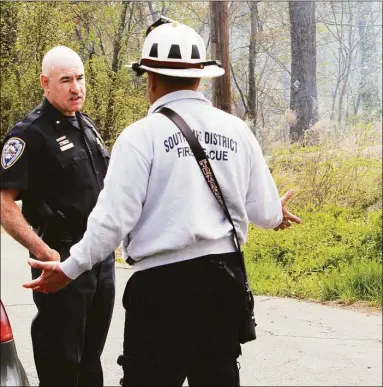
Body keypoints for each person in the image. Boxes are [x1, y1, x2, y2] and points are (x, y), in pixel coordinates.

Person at [23, 19, 301, 387]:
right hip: (225, 282)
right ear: (200, 79)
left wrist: (69, 269)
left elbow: (112, 220)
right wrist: (276, 213)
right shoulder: (237, 130)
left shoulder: (140, 137)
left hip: (162, 289)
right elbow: (265, 213)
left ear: (149, 79)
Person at [0, 46, 115, 387]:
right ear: (45, 83)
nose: (76, 87)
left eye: (80, 78)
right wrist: (42, 250)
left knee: (91, 361)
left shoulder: (87, 126)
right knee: (61, 363)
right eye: (66, 80)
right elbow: (4, 204)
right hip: (60, 257)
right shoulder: (29, 134)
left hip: (100, 258)